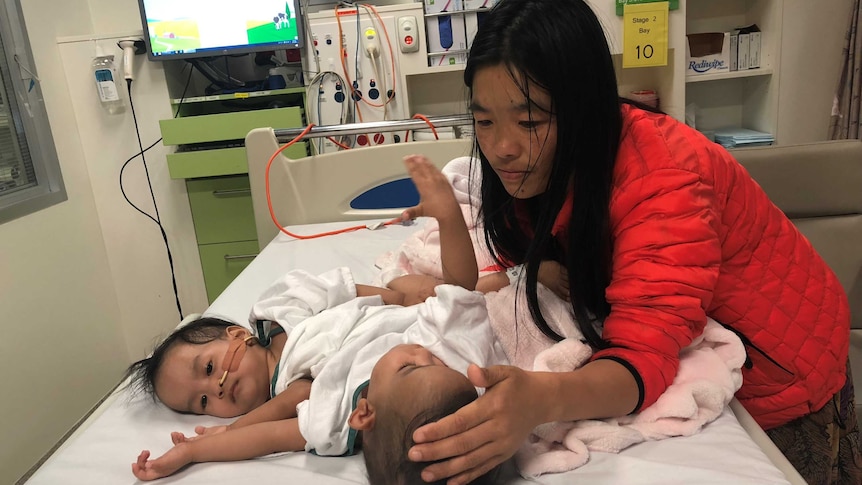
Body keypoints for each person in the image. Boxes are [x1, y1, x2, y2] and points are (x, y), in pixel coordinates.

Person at [403, 1, 861, 485]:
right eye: (484, 121)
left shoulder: (666, 178)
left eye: (530, 122)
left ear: (582, 110)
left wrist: (540, 398)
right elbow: (529, 254)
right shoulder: (530, 169)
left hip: (782, 371)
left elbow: (642, 355)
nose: (501, 148)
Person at [125, 155, 506, 483]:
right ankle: (508, 278)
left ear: (237, 334)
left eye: (208, 367)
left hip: (388, 306)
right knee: (464, 295)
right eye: (203, 402)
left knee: (419, 287)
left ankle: (465, 279)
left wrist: (392, 296)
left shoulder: (275, 311)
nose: (217, 389)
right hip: (417, 323)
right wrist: (201, 447)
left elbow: (336, 290)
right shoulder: (333, 403)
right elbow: (272, 432)